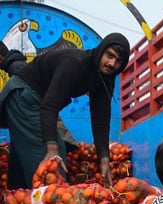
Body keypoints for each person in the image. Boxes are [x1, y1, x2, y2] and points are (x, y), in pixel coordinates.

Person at [0, 33, 130, 189]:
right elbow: (49, 106)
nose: (111, 63)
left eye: (118, 62)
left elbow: (101, 121)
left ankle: (18, 202)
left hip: (36, 100)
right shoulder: (75, 63)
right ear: (101, 50)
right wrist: (52, 148)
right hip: (23, 95)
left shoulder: (105, 79)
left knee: (26, 151)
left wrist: (104, 160)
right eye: (109, 56)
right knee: (53, 158)